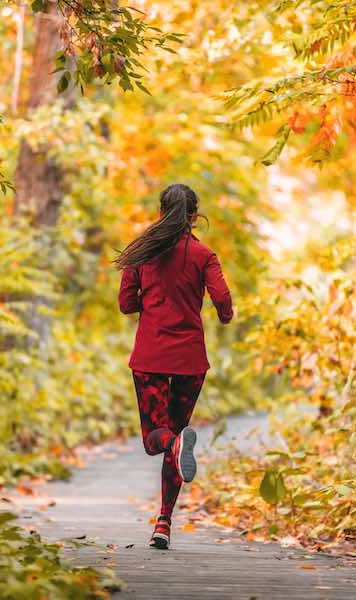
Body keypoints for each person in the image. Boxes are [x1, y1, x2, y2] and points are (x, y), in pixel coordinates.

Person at [115, 183, 233, 549]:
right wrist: (224, 315)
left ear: (161, 210)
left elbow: (124, 303)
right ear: (194, 214)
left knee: (157, 439)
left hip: (151, 356)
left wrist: (149, 307)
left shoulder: (143, 253)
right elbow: (223, 300)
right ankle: (163, 522)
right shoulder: (204, 254)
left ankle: (176, 444)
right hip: (189, 359)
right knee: (176, 440)